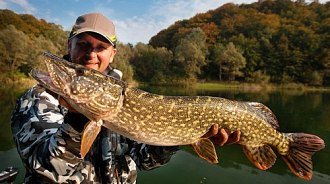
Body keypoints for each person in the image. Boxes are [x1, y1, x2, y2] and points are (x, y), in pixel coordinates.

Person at [11, 12, 240, 184]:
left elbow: (143, 159)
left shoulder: (120, 97)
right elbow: (45, 170)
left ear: (112, 54)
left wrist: (183, 134)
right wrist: (77, 118)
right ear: (68, 45)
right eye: (83, 44)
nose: (91, 54)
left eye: (101, 47)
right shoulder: (35, 101)